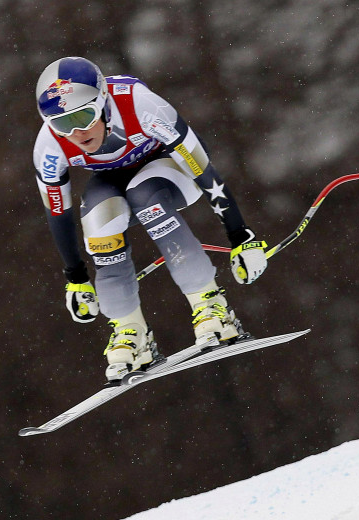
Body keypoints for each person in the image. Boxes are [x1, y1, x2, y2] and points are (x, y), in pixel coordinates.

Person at [32, 56, 268, 383]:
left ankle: (211, 306)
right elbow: (58, 212)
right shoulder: (48, 147)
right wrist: (75, 277)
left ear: (102, 103)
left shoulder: (141, 106)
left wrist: (240, 236)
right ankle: (131, 331)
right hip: (112, 180)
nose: (76, 133)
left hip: (171, 171)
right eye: (61, 124)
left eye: (84, 116)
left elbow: (203, 169)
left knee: (146, 197)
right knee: (99, 219)